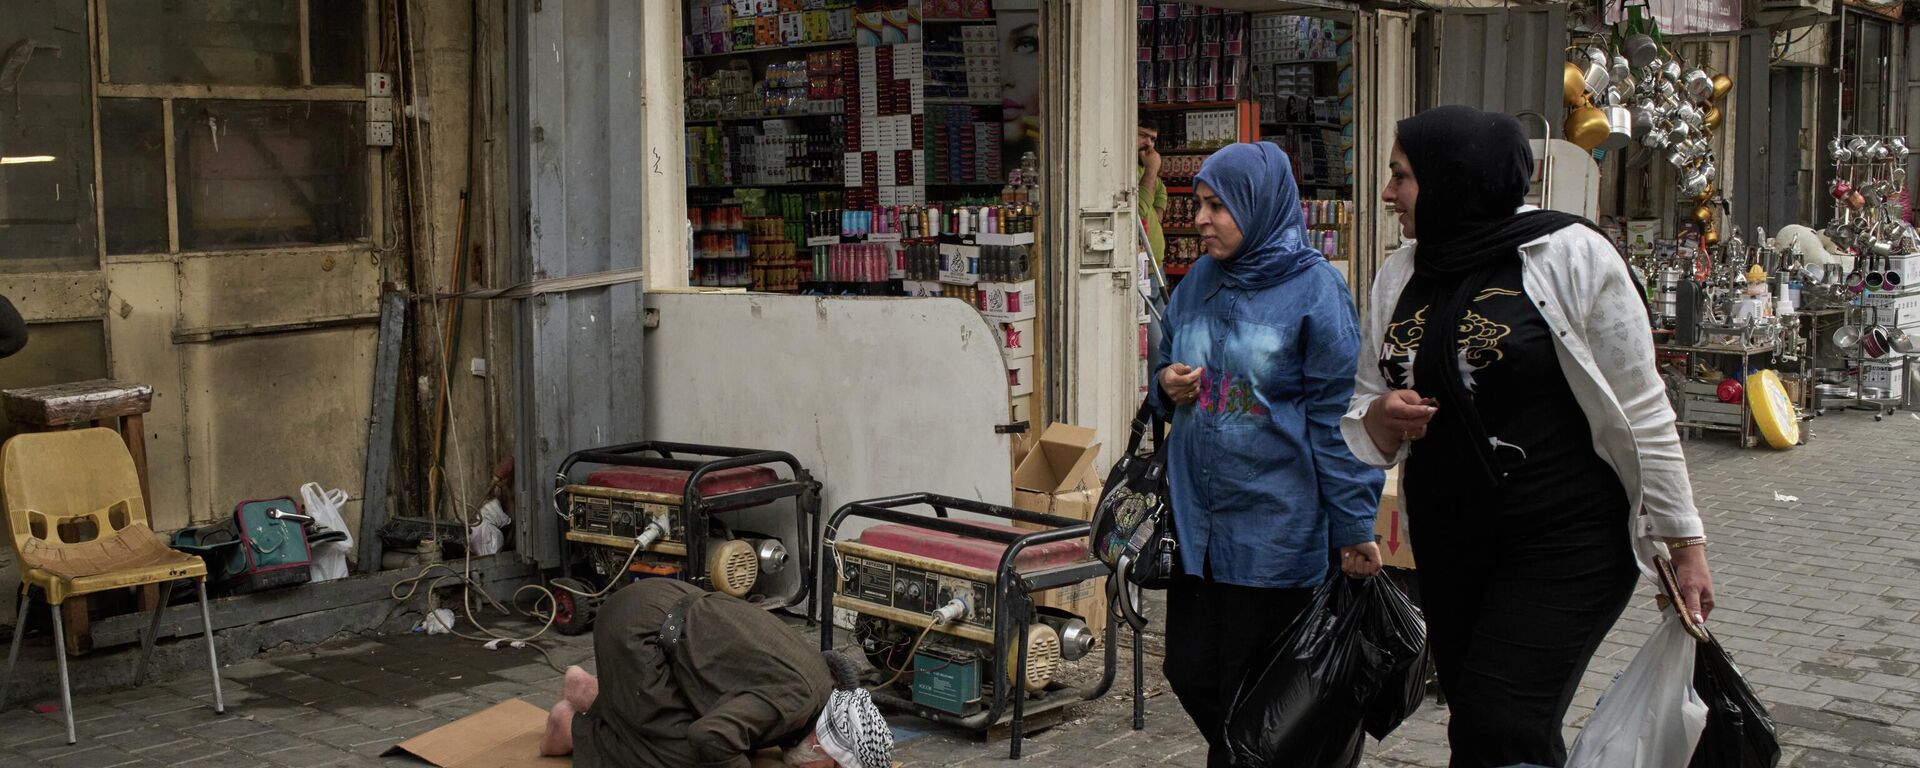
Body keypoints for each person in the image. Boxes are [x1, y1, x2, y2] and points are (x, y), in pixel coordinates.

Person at [1343, 105, 1716, 768]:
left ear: (1454, 179)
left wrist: (1684, 546)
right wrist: (1381, 418)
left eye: (1401, 176)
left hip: (1565, 536)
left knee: (1499, 714)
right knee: (1487, 724)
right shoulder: (1400, 274)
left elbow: (1643, 408)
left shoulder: (1568, 255)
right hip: (1453, 537)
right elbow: (1367, 403)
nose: (1386, 193)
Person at [1151, 141, 1384, 767]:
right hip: (1199, 532)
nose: (1200, 219)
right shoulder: (1197, 281)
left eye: (1217, 206)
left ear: (1259, 205)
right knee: (1192, 671)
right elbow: (1164, 359)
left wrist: (1355, 525)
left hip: (1273, 536)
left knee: (1257, 699)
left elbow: (1339, 424)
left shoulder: (1315, 293)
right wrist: (1165, 384)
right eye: (1197, 204)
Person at [540, 579, 893, 768]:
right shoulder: (794, 702)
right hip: (637, 632)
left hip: (658, 604)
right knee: (685, 757)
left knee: (732, 740)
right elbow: (709, 737)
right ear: (821, 745)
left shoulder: (815, 682)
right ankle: (570, 728)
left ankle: (592, 690)